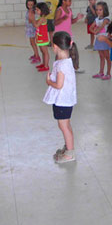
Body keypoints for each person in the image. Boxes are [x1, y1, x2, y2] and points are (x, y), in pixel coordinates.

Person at [43, 31, 77, 163]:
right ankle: (69, 148)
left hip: (63, 101)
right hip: (66, 100)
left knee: (64, 126)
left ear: (55, 47)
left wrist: (48, 81)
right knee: (66, 125)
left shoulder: (62, 64)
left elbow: (59, 85)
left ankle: (70, 153)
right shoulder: (65, 61)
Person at [54, 0, 84, 73]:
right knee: (60, 52)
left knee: (73, 51)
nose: (71, 2)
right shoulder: (59, 10)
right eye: (69, 0)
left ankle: (75, 67)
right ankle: (57, 68)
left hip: (68, 34)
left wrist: (77, 18)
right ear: (63, 1)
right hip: (60, 35)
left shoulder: (69, 10)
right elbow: (55, 22)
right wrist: (62, 19)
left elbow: (71, 21)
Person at [90, 1, 111, 80]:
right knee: (101, 56)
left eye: (100, 10)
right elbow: (90, 28)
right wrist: (94, 31)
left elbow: (102, 27)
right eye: (97, 10)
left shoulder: (106, 19)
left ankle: (108, 73)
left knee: (107, 57)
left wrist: (96, 31)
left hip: (105, 40)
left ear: (104, 10)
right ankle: (101, 72)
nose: (98, 11)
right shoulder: (97, 19)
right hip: (98, 39)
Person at [32, 2, 50, 72]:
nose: (36, 11)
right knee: (42, 51)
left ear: (42, 10)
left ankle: (46, 66)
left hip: (43, 38)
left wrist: (33, 20)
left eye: (37, 10)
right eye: (36, 10)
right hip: (40, 38)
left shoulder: (42, 18)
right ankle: (44, 63)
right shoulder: (40, 18)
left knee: (45, 52)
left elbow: (36, 25)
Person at [25, 0, 40, 64]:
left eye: (31, 5)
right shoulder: (29, 10)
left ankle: (37, 56)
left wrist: (31, 20)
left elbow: (32, 20)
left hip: (32, 29)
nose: (30, 6)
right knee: (31, 43)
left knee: (33, 43)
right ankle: (35, 54)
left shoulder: (32, 12)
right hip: (29, 29)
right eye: (28, 5)